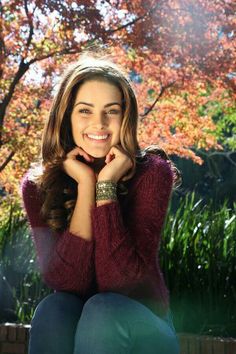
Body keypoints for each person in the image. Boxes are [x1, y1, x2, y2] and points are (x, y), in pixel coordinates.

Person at [21, 52, 181, 354]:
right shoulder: (37, 186)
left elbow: (119, 282)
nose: (100, 123)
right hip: (81, 322)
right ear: (66, 116)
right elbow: (67, 282)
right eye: (85, 111)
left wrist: (105, 186)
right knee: (53, 309)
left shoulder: (152, 174)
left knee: (103, 311)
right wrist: (86, 186)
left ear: (126, 117)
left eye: (112, 111)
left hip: (145, 331)